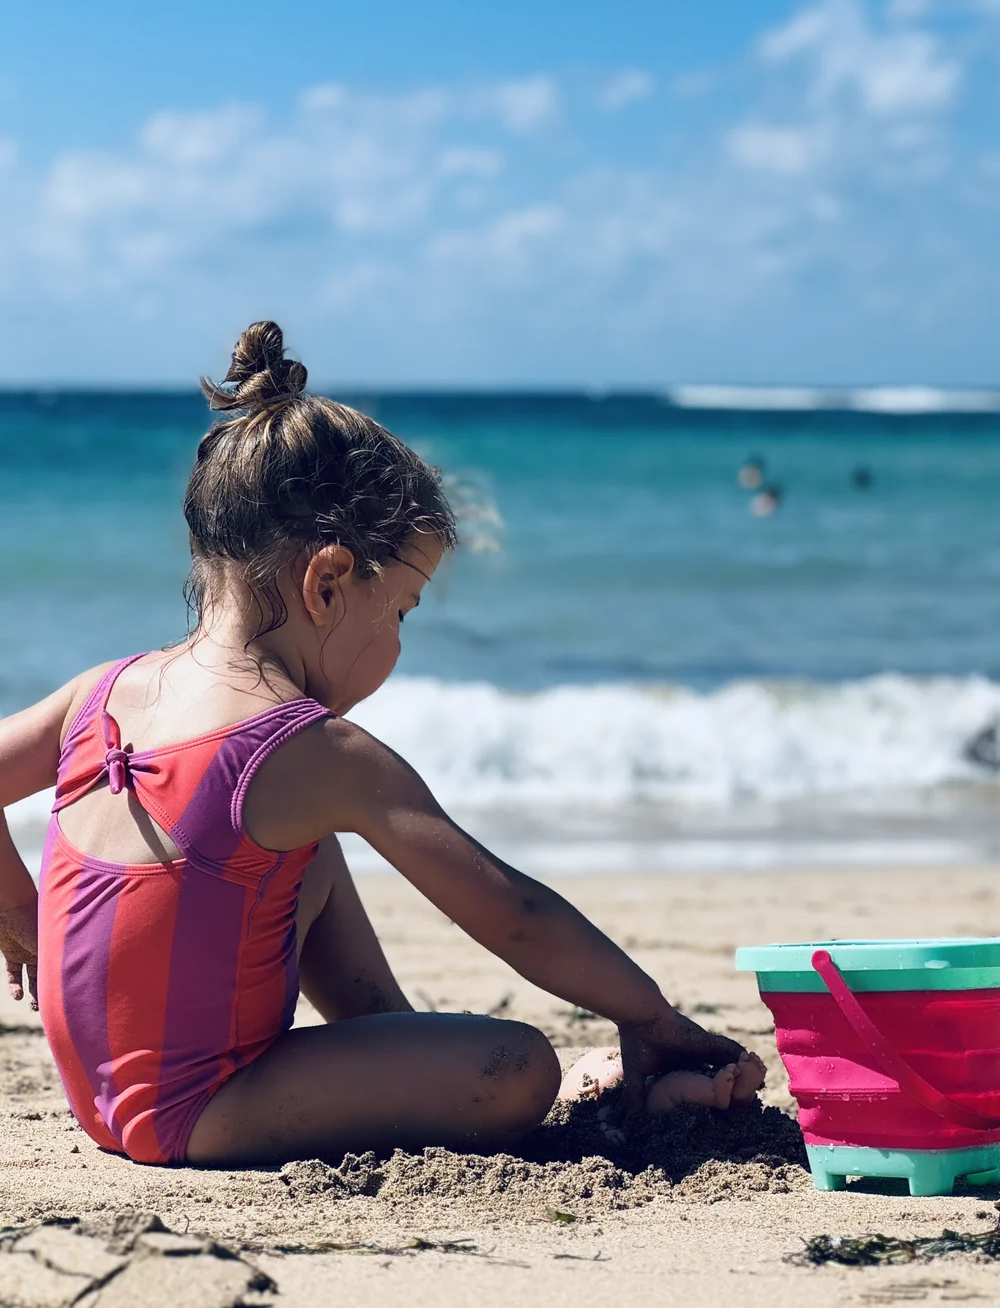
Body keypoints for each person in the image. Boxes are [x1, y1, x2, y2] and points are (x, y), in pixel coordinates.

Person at [0, 322, 764, 1169]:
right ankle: (494, 1078)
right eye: (399, 610)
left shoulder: (102, 691)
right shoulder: (318, 751)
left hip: (96, 1098)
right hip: (202, 1111)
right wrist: (650, 1016)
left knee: (304, 853)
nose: (399, 639)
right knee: (518, 1066)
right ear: (326, 583)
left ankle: (387, 1046)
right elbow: (515, 913)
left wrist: (18, 910)